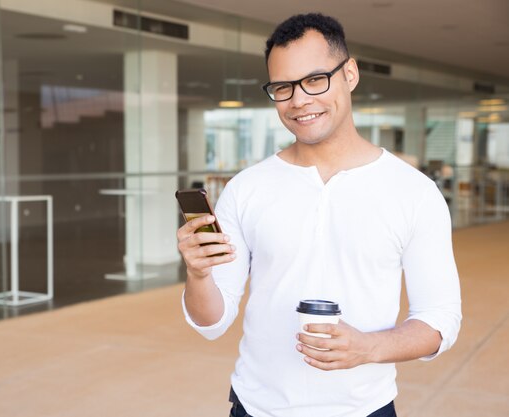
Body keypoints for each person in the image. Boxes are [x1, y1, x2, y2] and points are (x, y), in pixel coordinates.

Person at [177, 13, 461, 417]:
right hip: (256, 407)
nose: (299, 101)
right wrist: (199, 274)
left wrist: (369, 347)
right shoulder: (246, 188)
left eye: (314, 80)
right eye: (282, 87)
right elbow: (211, 322)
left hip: (365, 408)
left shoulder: (414, 191)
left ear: (350, 74)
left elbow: (439, 320)